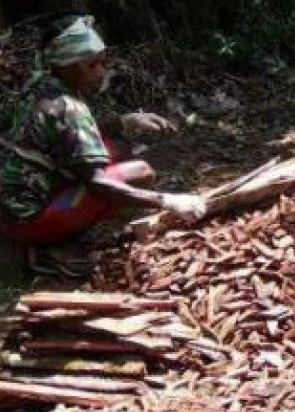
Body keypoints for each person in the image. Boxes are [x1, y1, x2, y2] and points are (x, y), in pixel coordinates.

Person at [0, 15, 206, 269]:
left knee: (118, 146)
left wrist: (124, 121)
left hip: (11, 198)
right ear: (67, 66)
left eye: (101, 63)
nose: (101, 73)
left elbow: (72, 134)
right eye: (91, 66)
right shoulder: (70, 107)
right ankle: (51, 247)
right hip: (25, 219)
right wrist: (167, 200)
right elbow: (96, 182)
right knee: (139, 172)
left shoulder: (38, 86)